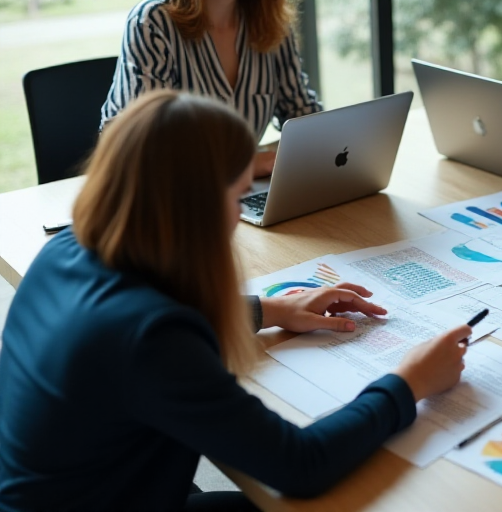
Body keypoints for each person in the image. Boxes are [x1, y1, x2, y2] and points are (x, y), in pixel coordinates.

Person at [0, 90, 469, 511]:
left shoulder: (69, 249)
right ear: (196, 206)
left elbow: (130, 328)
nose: (241, 213)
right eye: (240, 195)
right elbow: (299, 465)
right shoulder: (152, 337)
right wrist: (409, 383)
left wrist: (269, 309)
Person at [100, 0, 322, 177]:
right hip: (165, 203)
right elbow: (140, 149)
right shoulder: (152, 21)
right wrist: (241, 165)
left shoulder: (273, 23)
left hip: (234, 196)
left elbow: (302, 113)